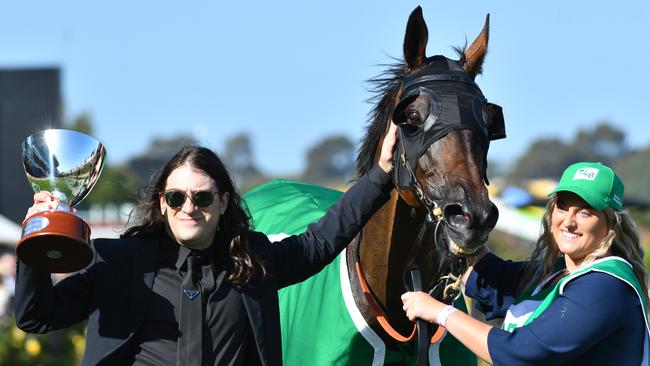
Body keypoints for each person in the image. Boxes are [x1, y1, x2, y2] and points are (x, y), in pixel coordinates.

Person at [15, 124, 397, 366]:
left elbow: (321, 240)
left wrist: (380, 175)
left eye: (202, 198)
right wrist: (35, 237)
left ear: (224, 202)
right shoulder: (117, 261)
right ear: (162, 204)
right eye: (178, 198)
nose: (189, 208)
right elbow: (36, 316)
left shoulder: (252, 261)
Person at [402, 162, 649, 365]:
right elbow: (493, 281)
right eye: (562, 207)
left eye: (585, 212)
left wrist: (439, 312)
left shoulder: (604, 286)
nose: (569, 222)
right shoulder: (557, 272)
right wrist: (463, 228)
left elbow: (519, 354)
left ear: (610, 224)